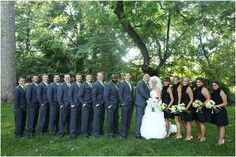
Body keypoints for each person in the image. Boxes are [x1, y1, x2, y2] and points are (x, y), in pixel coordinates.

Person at [192, 77, 211, 142]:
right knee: (197, 122)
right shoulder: (195, 88)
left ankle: (203, 137)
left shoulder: (204, 89)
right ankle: (200, 134)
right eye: (197, 82)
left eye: (199, 82)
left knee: (201, 122)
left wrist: (202, 105)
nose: (198, 83)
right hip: (195, 107)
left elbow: (208, 99)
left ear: (202, 83)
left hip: (201, 108)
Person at [135, 73, 150, 139]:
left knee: (143, 119)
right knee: (139, 119)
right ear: (143, 77)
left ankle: (142, 132)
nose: (147, 77)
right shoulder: (140, 83)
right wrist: (151, 99)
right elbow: (143, 93)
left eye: (148, 76)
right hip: (140, 104)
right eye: (145, 76)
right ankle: (137, 134)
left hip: (145, 104)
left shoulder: (147, 83)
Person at [118, 72, 134, 138]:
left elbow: (132, 93)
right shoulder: (122, 84)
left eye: (129, 75)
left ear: (130, 76)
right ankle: (123, 133)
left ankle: (127, 132)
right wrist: (123, 102)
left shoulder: (131, 84)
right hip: (125, 104)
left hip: (130, 104)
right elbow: (120, 94)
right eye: (126, 75)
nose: (128, 76)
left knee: (129, 119)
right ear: (124, 77)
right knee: (124, 119)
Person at [69, 73, 82, 138]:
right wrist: (72, 104)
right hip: (74, 105)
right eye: (78, 77)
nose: (79, 78)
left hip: (80, 105)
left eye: (80, 77)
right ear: (76, 78)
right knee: (73, 119)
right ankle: (73, 133)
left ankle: (78, 131)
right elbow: (70, 95)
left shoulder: (81, 85)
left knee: (79, 119)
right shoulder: (73, 85)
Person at [92, 72, 105, 138]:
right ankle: (96, 133)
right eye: (99, 76)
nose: (100, 77)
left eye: (101, 76)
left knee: (101, 118)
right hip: (97, 104)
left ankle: (100, 130)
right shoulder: (95, 84)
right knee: (97, 119)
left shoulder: (103, 84)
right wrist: (96, 103)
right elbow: (93, 95)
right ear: (97, 77)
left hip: (102, 104)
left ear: (103, 77)